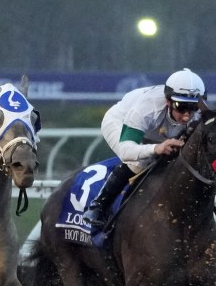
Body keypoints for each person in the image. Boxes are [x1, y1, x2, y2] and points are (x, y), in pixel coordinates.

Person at [82, 68, 207, 231]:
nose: (187, 116)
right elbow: (126, 150)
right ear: (168, 101)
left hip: (159, 129)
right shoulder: (148, 109)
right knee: (141, 160)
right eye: (181, 107)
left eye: (193, 107)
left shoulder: (196, 113)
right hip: (120, 121)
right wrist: (157, 148)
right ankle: (97, 207)